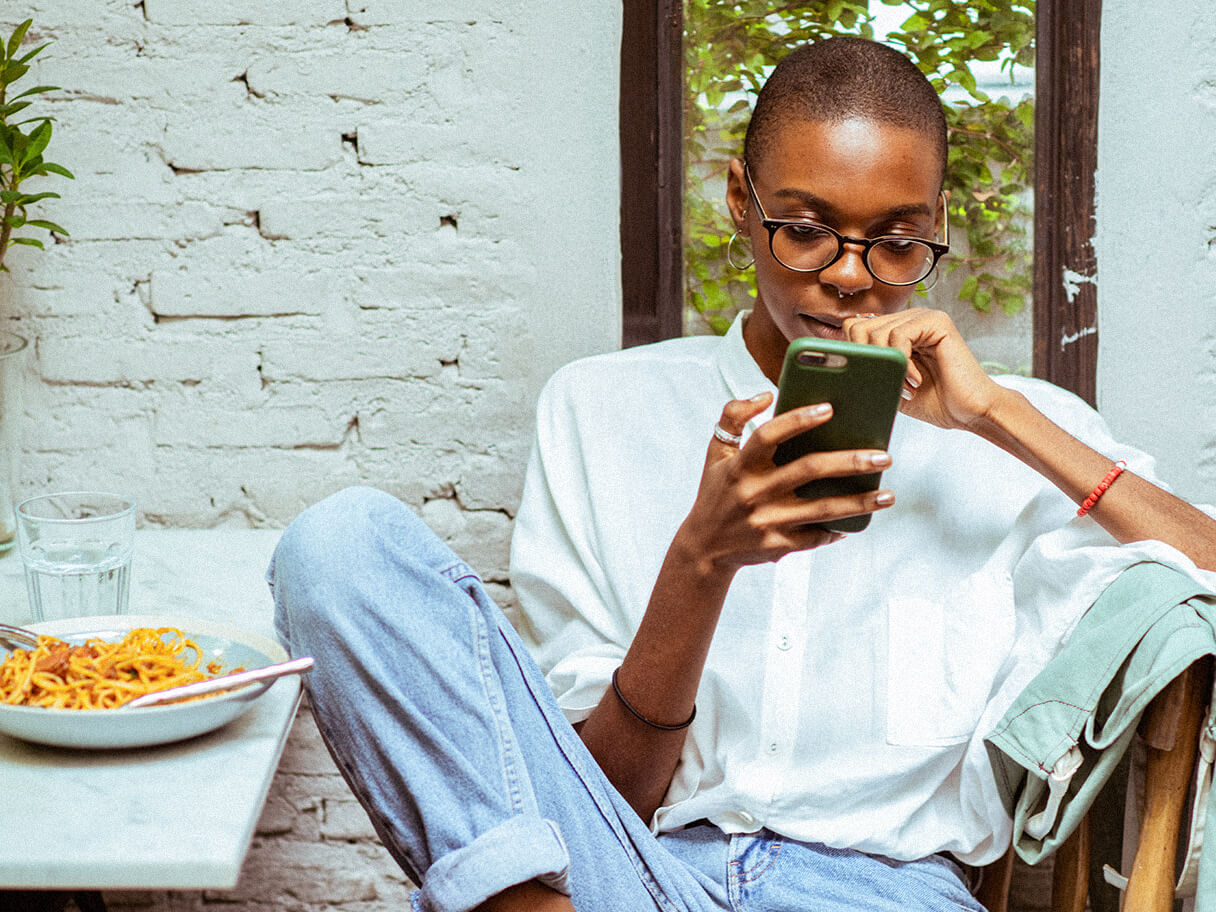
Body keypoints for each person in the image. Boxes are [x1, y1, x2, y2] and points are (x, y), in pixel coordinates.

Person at [268, 36, 1216, 912]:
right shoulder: (600, 411)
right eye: (805, 229)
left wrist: (995, 416)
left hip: (880, 892)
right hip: (630, 870)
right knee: (338, 545)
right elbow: (608, 797)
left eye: (895, 240)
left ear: (937, 226)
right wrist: (702, 561)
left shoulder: (1019, 433)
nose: (849, 277)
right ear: (739, 201)